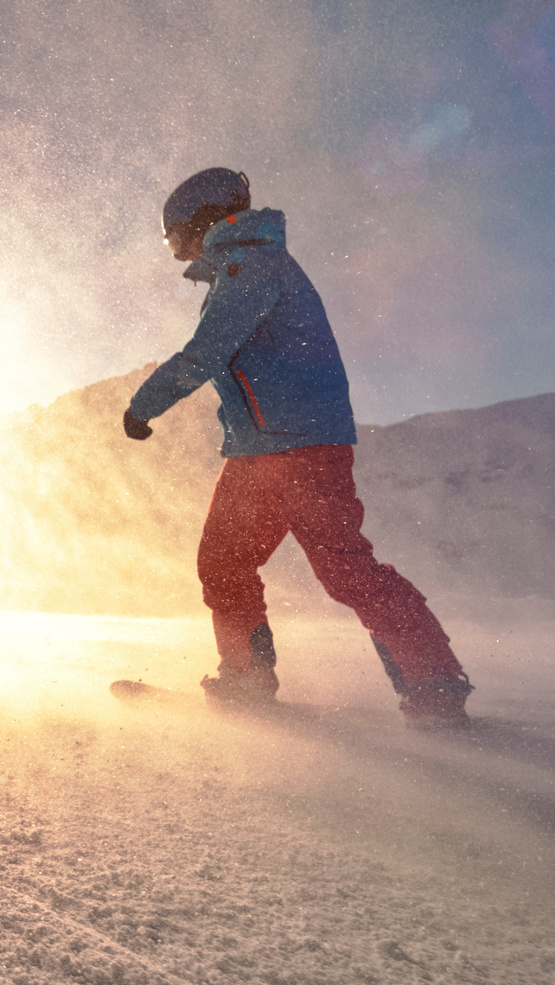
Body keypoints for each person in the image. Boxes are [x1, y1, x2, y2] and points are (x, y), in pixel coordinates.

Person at [122, 168, 473, 727]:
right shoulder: (243, 265)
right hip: (258, 448)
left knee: (344, 570)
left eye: (176, 238)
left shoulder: (249, 264)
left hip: (299, 447)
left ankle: (433, 683)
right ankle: (246, 676)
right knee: (224, 561)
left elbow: (207, 350)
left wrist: (143, 406)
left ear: (202, 220)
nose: (175, 254)